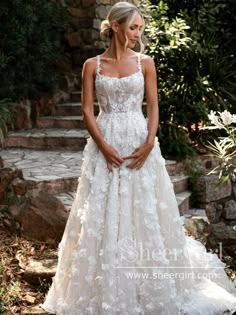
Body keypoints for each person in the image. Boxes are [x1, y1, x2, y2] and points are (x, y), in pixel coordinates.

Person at [40, 2, 236, 314]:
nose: (137, 34)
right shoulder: (93, 65)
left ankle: (148, 285)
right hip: (104, 142)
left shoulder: (145, 62)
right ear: (115, 26)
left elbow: (154, 106)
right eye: (133, 27)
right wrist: (103, 146)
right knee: (102, 211)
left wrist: (149, 142)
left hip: (138, 140)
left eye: (140, 28)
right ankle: (104, 287)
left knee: (143, 207)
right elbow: (87, 110)